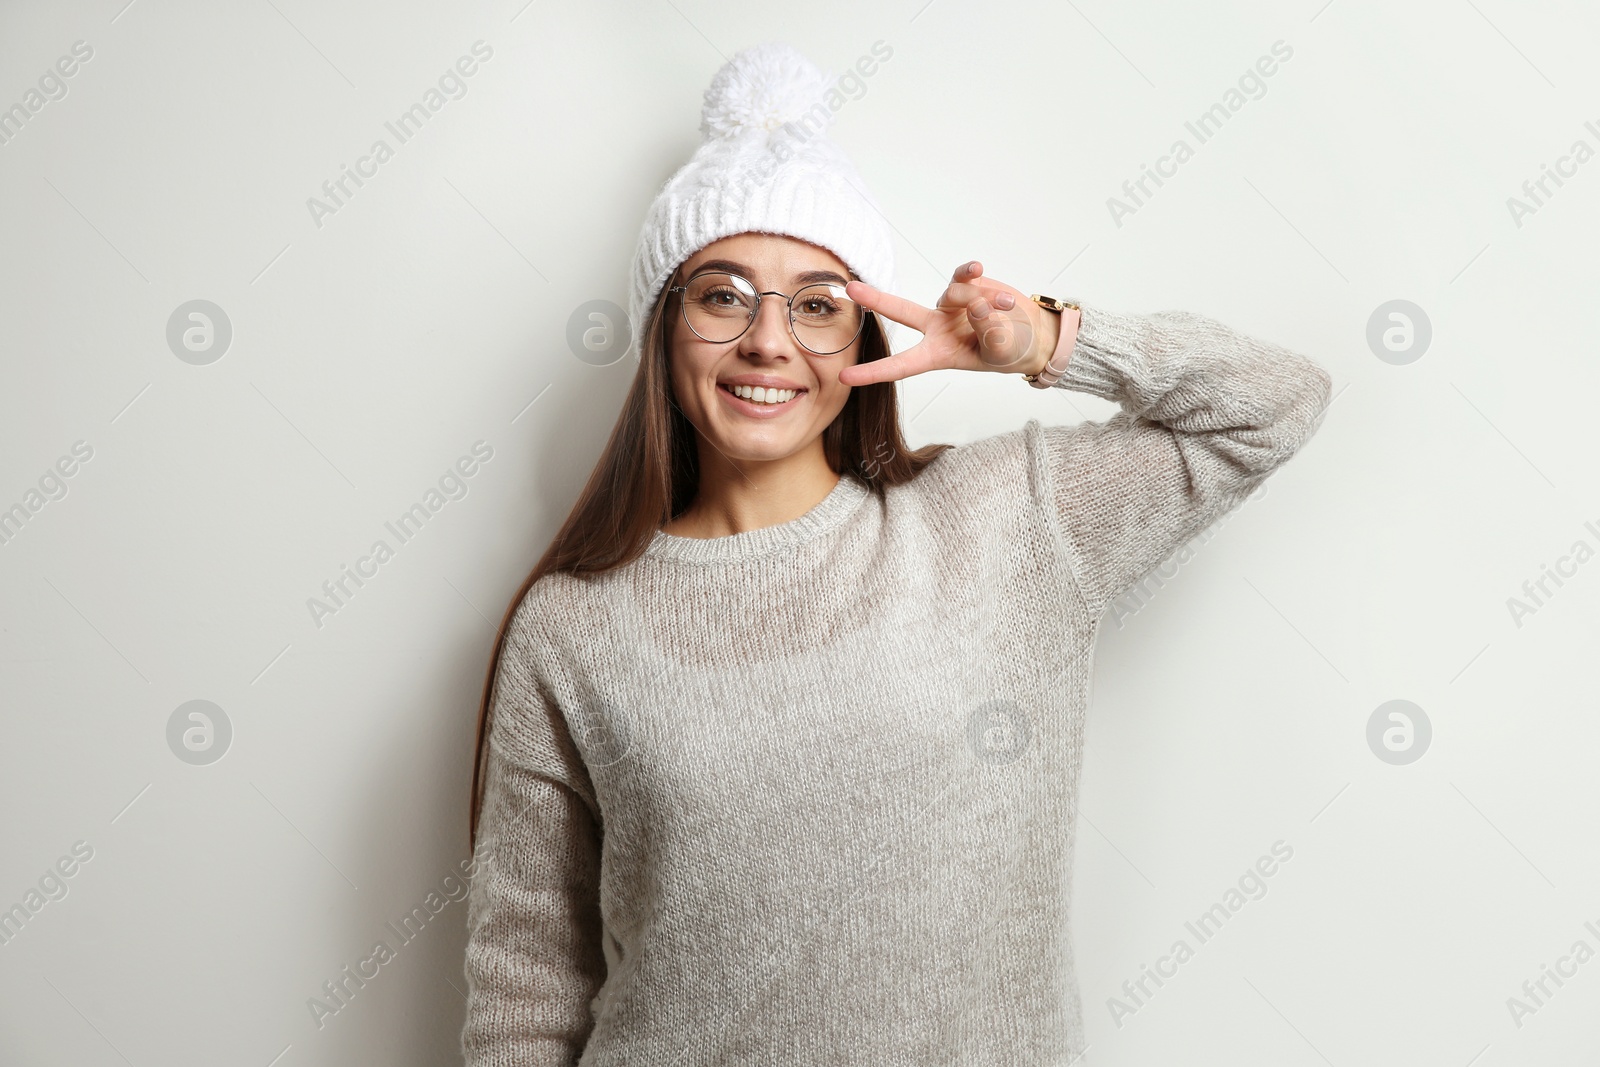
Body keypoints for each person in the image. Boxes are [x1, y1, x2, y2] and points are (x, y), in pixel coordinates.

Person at [460, 41, 1331, 1067]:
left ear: (864, 343)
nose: (768, 341)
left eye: (820, 303)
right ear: (666, 329)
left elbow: (1272, 406)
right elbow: (525, 990)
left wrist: (1047, 343)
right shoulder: (574, 626)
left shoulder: (1009, 517)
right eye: (723, 293)